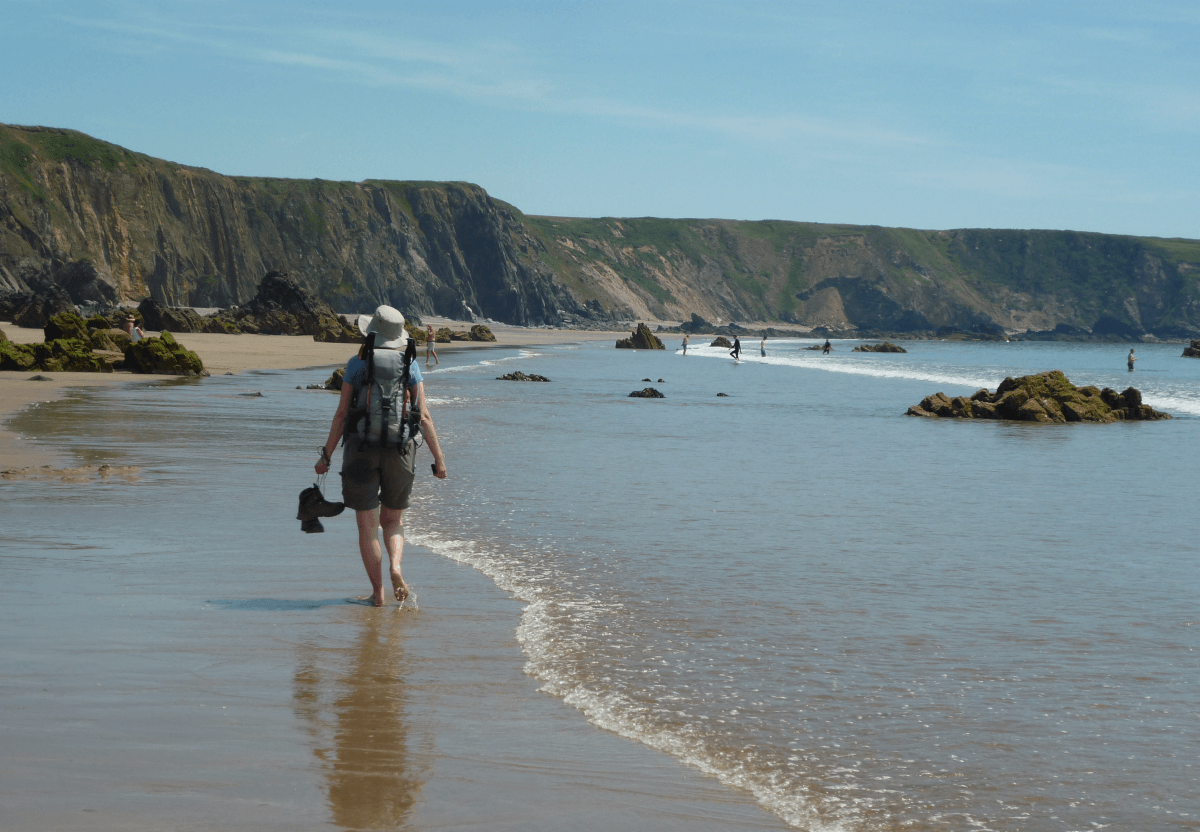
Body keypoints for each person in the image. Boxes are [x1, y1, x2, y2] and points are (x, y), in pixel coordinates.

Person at [316, 305, 447, 607]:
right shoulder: (410, 366)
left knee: (367, 527)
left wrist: (326, 456)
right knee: (393, 520)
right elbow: (424, 416)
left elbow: (340, 414)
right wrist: (439, 459)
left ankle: (378, 596)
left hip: (360, 450)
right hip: (400, 451)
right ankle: (396, 568)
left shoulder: (355, 365)